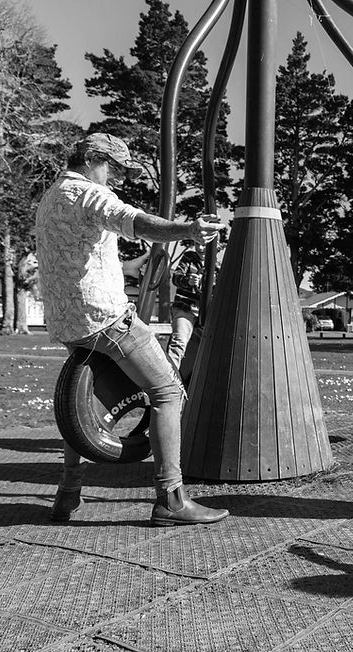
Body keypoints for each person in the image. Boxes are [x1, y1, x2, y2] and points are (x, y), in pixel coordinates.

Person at [35, 132, 229, 527]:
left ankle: (68, 492)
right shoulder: (89, 194)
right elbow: (137, 222)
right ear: (92, 158)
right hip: (107, 319)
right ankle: (171, 499)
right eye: (111, 167)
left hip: (69, 323)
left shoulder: (50, 198)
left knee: (80, 406)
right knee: (168, 392)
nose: (113, 177)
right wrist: (188, 231)